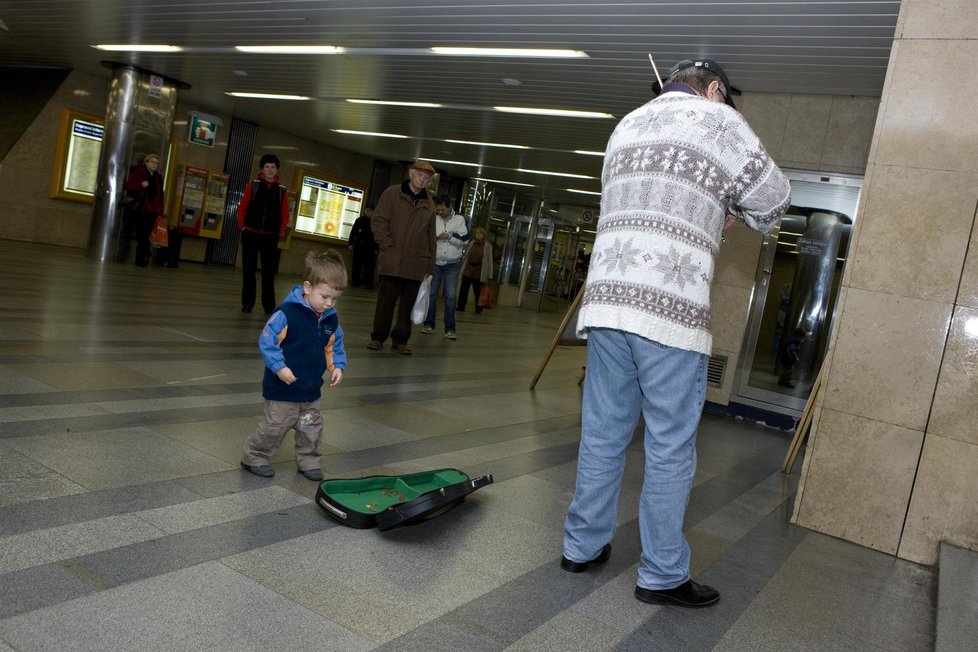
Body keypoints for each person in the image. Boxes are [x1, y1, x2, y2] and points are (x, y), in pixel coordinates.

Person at [561, 58, 791, 609]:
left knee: (602, 434)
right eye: (725, 97)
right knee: (669, 448)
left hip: (609, 304)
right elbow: (775, 200)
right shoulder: (722, 123)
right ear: (715, 90)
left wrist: (710, 205)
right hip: (668, 309)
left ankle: (581, 546)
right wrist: (731, 210)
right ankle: (662, 574)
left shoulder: (627, 124)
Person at [240, 249, 347, 482]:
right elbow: (267, 341)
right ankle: (255, 455)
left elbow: (333, 345)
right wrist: (279, 367)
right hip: (282, 390)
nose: (329, 303)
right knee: (275, 427)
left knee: (310, 427)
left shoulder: (330, 318)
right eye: (324, 296)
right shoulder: (287, 314)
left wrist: (337, 366)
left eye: (334, 298)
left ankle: (308, 460)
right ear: (308, 288)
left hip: (309, 391)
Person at [366, 160, 437, 356]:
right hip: (393, 260)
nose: (423, 179)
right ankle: (378, 337)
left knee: (407, 306)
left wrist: (430, 263)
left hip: (416, 262)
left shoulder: (429, 204)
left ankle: (401, 340)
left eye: (427, 178)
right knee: (385, 303)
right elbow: (379, 220)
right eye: (420, 175)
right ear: (411, 173)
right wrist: (386, 244)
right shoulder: (392, 193)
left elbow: (431, 235)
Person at [237, 153, 290, 314]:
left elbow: (285, 214)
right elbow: (242, 208)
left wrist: (280, 232)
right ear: (262, 168)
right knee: (248, 271)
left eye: (273, 167)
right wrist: (242, 227)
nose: (270, 170)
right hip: (251, 234)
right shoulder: (253, 185)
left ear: (277, 170)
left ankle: (269, 306)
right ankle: (247, 304)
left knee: (269, 273)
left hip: (270, 236)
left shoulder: (281, 190)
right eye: (267, 166)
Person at [421, 195, 468, 339]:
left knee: (450, 296)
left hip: (452, 264)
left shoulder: (459, 220)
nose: (440, 212)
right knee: (432, 294)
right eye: (438, 210)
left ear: (450, 207)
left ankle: (450, 328)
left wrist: (449, 236)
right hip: (435, 262)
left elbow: (465, 239)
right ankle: (429, 324)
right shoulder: (434, 219)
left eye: (442, 209)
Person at [122, 153, 165, 267]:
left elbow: (160, 195)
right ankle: (142, 258)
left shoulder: (157, 177)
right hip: (141, 209)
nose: (155, 165)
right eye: (152, 162)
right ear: (146, 162)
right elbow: (128, 185)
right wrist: (141, 185)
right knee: (142, 235)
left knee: (146, 235)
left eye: (157, 163)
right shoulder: (139, 172)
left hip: (153, 210)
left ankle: (143, 258)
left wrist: (160, 211)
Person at [457, 226, 493, 314]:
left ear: (483, 235)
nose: (479, 235)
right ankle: (461, 306)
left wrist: (489, 275)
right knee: (463, 290)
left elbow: (489, 260)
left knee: (477, 291)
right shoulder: (471, 243)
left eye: (480, 233)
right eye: (477, 233)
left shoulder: (487, 245)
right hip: (468, 269)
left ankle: (479, 307)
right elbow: (466, 256)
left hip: (479, 271)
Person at [347, 205, 378, 289]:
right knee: (357, 264)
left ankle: (369, 283)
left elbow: (377, 236)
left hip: (370, 246)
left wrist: (376, 248)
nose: (368, 212)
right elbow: (353, 232)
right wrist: (350, 243)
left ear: (373, 211)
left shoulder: (376, 222)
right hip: (359, 245)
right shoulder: (360, 220)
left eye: (370, 210)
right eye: (367, 210)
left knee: (370, 266)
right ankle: (355, 281)